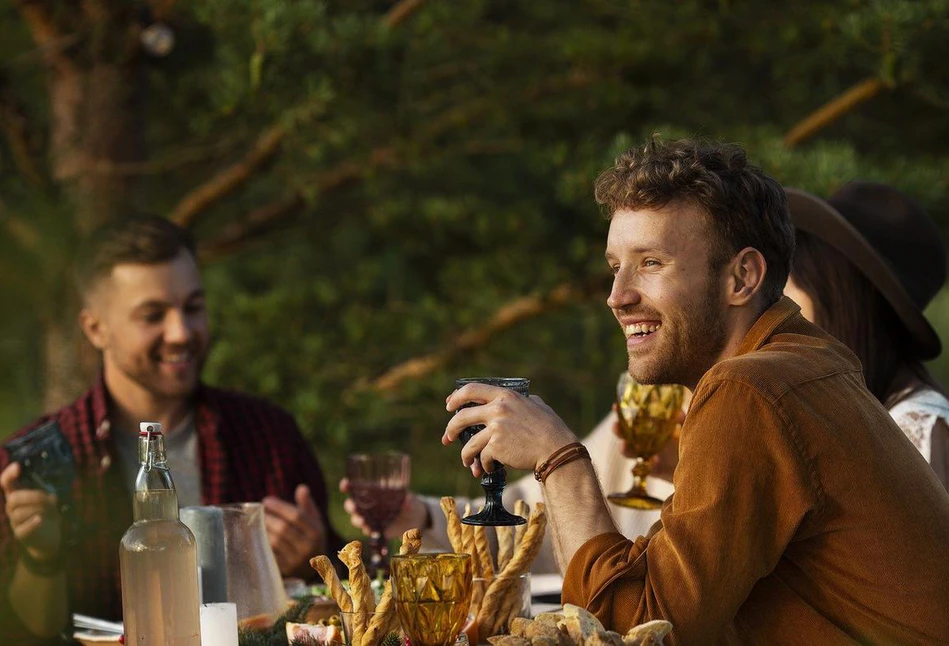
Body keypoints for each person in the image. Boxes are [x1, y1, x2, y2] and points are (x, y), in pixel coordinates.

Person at [442, 139, 949, 643]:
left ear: (742, 277)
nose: (617, 297)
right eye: (616, 266)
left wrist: (559, 459)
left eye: (652, 263)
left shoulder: (750, 389)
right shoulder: (805, 364)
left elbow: (636, 632)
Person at [0, 216, 344, 642]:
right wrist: (41, 559)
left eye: (193, 307)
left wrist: (312, 558)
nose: (181, 332)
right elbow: (25, 631)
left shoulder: (268, 433)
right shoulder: (40, 462)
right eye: (153, 315)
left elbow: (344, 603)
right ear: (95, 328)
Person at [783, 183, 949, 488]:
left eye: (790, 294)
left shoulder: (912, 427)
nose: (780, 314)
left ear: (840, 297)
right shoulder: (865, 411)